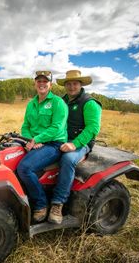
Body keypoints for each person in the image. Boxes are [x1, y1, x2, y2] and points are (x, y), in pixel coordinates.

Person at [48, 70, 102, 224]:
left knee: (68, 159)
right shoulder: (62, 101)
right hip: (60, 139)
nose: (72, 87)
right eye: (69, 84)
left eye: (75, 83)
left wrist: (74, 144)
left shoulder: (90, 103)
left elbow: (92, 129)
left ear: (81, 84)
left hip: (80, 142)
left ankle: (57, 204)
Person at [17, 70, 68, 223]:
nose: (41, 84)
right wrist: (29, 139)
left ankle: (41, 204)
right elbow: (25, 126)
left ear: (50, 84)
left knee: (24, 168)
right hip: (33, 142)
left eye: (45, 81)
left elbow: (57, 128)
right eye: (39, 81)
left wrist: (38, 139)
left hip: (54, 144)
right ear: (35, 84)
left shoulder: (58, 102)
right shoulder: (31, 104)